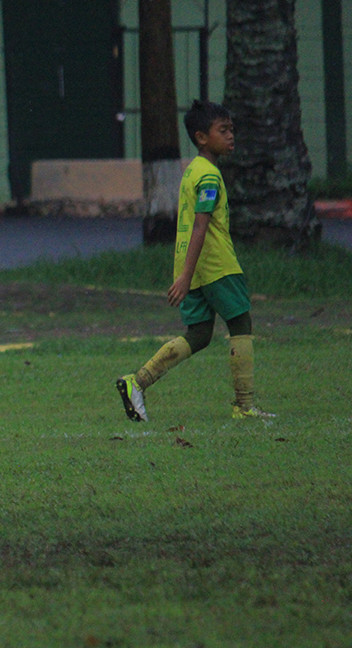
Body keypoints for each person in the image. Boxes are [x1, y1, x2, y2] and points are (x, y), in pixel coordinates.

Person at [116, 100, 274, 423]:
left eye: (232, 129)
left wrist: (186, 273)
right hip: (215, 265)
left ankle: (137, 382)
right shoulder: (210, 177)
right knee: (241, 322)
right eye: (224, 130)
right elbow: (201, 225)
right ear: (202, 137)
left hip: (192, 266)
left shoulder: (192, 171)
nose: (231, 136)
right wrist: (186, 277)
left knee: (200, 334)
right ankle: (244, 405)